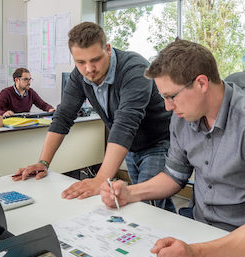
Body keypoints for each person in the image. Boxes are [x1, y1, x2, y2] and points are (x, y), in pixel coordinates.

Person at [100, 39, 245, 257]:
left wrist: (199, 256)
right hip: (198, 229)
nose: (167, 107)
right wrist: (130, 192)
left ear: (202, 83)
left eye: (171, 96)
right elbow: (174, 177)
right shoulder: (182, 118)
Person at [13, 22, 175, 212]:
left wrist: (100, 179)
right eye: (81, 62)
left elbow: (125, 123)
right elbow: (63, 116)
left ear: (107, 49)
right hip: (132, 146)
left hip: (158, 142)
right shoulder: (79, 76)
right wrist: (43, 163)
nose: (89, 69)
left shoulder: (134, 68)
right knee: (154, 206)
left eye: (95, 59)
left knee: (146, 207)